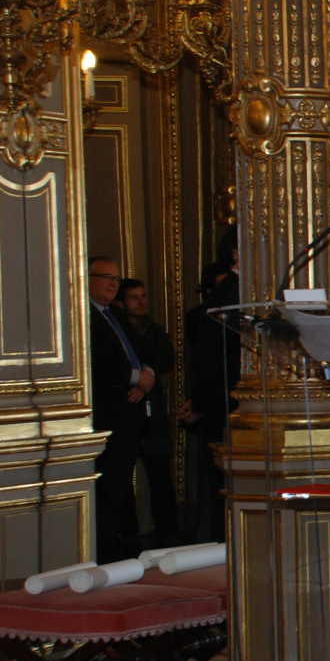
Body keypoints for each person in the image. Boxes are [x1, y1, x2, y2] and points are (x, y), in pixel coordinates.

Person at [88, 257, 153, 563]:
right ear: (87, 279)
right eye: (105, 277)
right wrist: (134, 377)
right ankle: (107, 549)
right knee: (109, 484)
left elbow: (141, 352)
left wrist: (145, 376)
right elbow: (99, 363)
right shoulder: (85, 315)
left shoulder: (115, 314)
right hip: (107, 412)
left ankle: (124, 544)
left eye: (116, 277)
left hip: (131, 411)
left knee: (122, 482)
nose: (113, 283)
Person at [183, 228, 239, 544]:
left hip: (229, 405)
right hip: (227, 407)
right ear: (235, 252)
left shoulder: (246, 288)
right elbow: (207, 356)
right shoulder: (226, 294)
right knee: (223, 491)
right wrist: (200, 403)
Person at [116, 278, 180, 546]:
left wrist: (147, 378)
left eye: (143, 296)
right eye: (134, 297)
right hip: (125, 409)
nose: (141, 302)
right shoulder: (116, 328)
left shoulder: (154, 330)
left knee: (161, 478)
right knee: (122, 479)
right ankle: (128, 536)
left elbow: (166, 359)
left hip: (154, 416)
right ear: (121, 302)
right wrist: (138, 380)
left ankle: (169, 537)